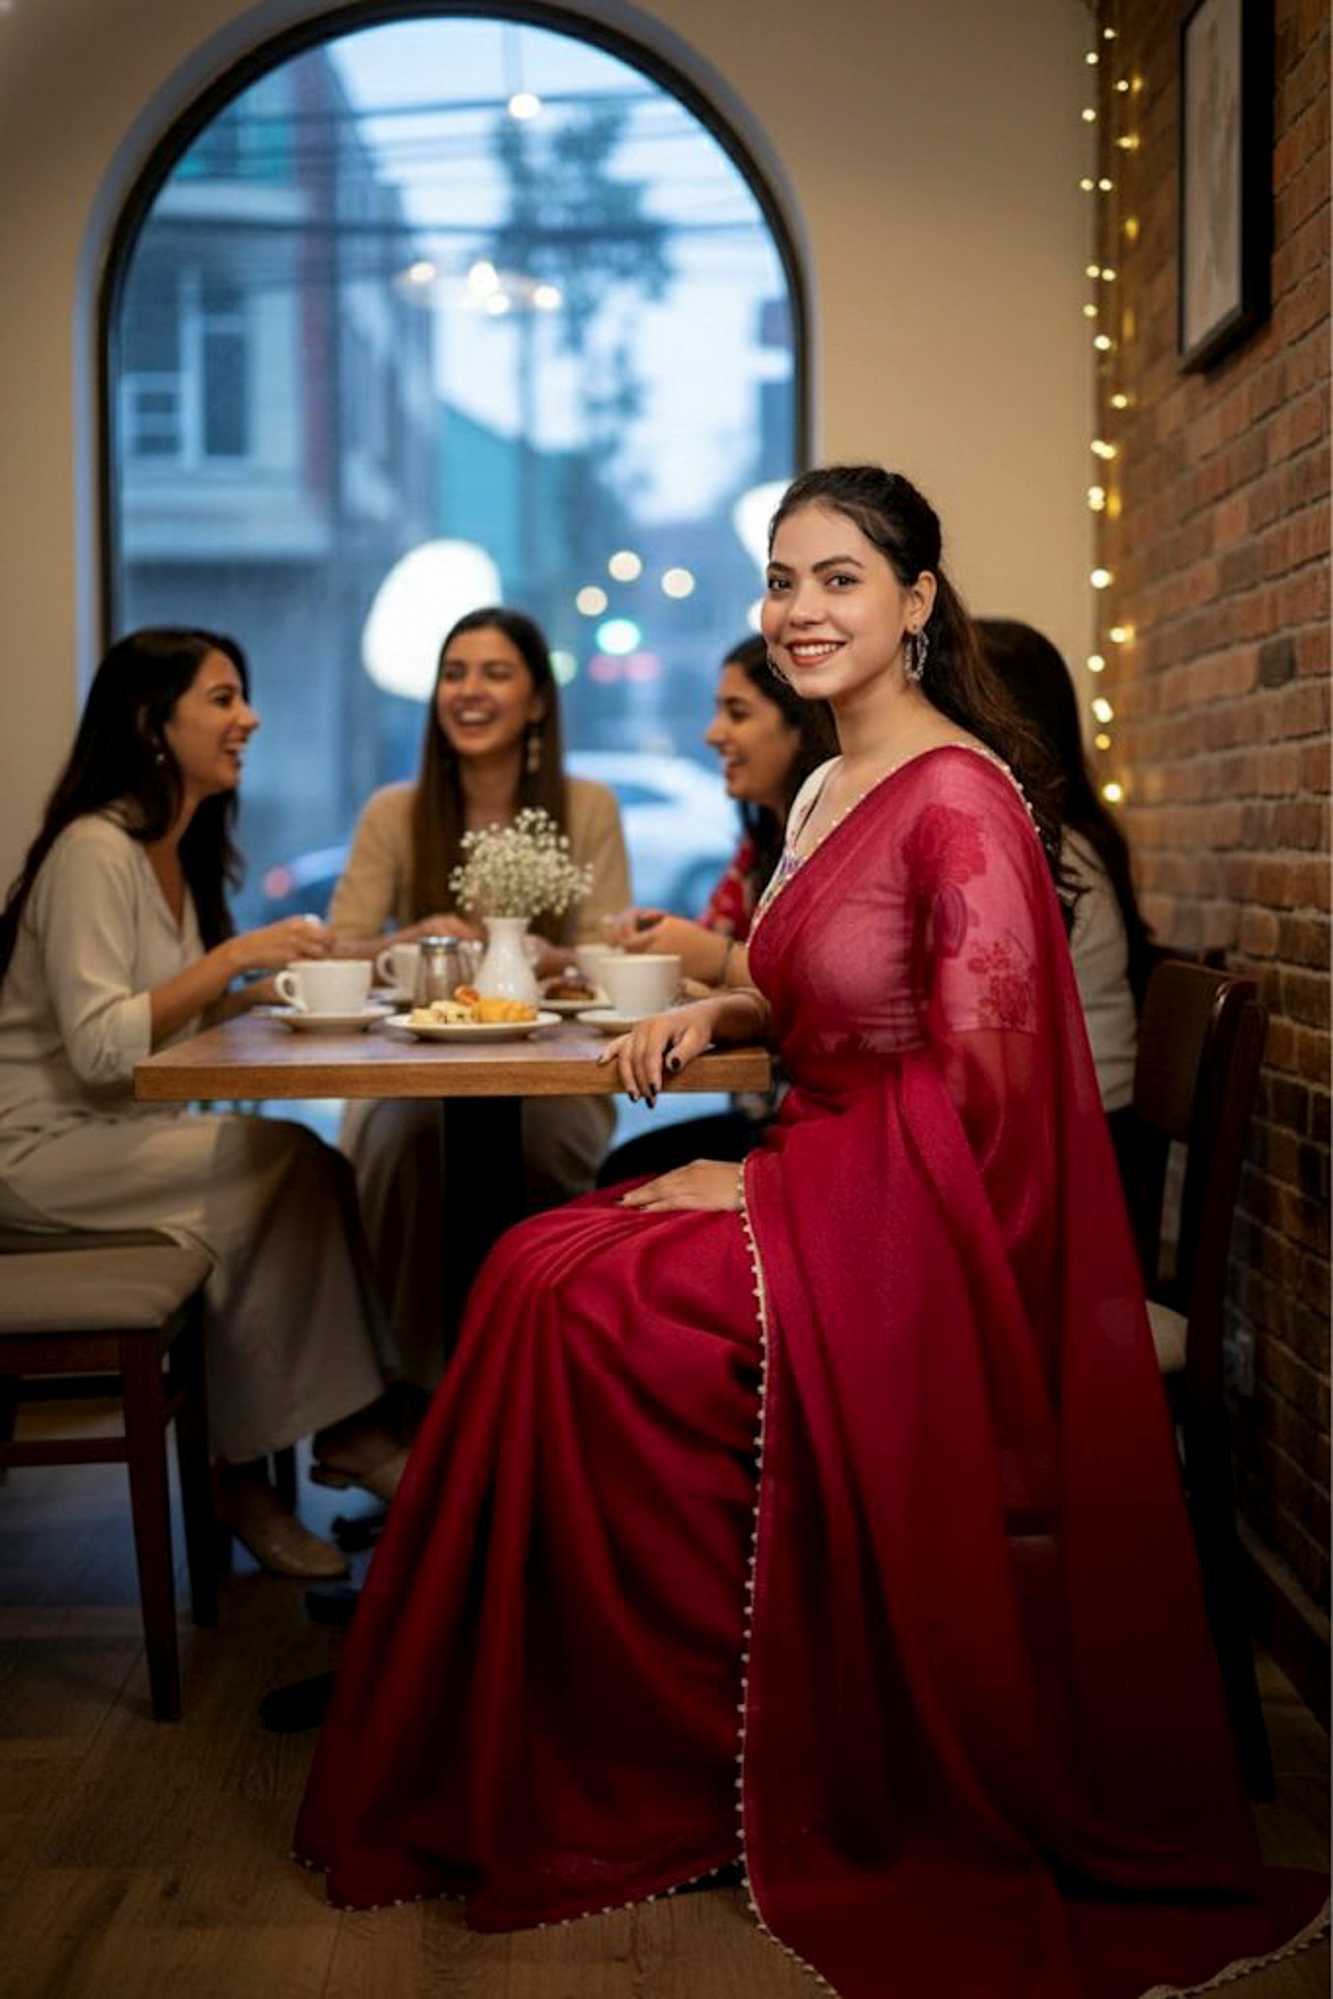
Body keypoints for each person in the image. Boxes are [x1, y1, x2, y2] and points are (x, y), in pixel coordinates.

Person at [295, 470, 1322, 1995]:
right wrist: (737, 1002)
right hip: (839, 1175)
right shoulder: (840, 777)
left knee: (573, 1298)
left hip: (924, 1236)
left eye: (840, 579)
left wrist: (763, 1189)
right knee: (533, 1262)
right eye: (783, 581)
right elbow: (851, 990)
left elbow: (987, 1106)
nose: (801, 611)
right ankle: (572, 1734)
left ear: (916, 600)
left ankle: (667, 1757)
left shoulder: (960, 797)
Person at [0, 629, 406, 1581]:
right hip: (36, 1152)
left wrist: (246, 1000)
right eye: (223, 699)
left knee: (301, 1167)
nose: (249, 718)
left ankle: (325, 1433)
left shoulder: (165, 850)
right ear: (153, 721)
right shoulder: (93, 851)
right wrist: (234, 961)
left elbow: (154, 1029)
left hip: (111, 1138)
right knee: (286, 1165)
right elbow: (106, 1051)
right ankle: (329, 1437)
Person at [326, 607, 630, 1385]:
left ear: (535, 701)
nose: (469, 691)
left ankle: (532, 1386)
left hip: (552, 1067)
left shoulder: (586, 805)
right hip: (411, 1069)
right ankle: (419, 1395)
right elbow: (339, 949)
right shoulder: (394, 811)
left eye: (495, 673)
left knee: (542, 1144)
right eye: (454, 673)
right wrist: (409, 940)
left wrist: (549, 952)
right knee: (401, 1144)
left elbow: (610, 951)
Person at [596, 633, 836, 1183]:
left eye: (738, 713)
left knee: (621, 1172)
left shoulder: (832, 847)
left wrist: (714, 957)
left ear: (803, 726)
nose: (712, 735)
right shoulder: (760, 846)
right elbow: (709, 974)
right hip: (765, 1109)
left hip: (809, 1128)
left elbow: (821, 1001)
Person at [978, 617, 1152, 1168]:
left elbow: (985, 1028)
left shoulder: (1040, 846)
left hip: (1077, 1149)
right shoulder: (1062, 831)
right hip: (1076, 1124)